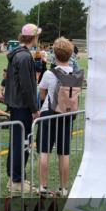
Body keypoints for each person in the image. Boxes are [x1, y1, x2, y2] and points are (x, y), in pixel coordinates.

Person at [36, 37, 80, 197]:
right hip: (67, 114)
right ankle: (64, 187)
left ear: (54, 53)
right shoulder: (75, 74)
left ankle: (43, 185)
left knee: (44, 151)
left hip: (49, 113)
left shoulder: (49, 73)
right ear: (70, 55)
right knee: (64, 153)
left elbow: (42, 94)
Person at [5, 24, 41, 194]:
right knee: (22, 143)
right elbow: (27, 86)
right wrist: (34, 109)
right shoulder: (25, 57)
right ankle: (17, 180)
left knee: (16, 142)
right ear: (34, 37)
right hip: (23, 106)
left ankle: (13, 177)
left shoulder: (18, 54)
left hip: (15, 104)